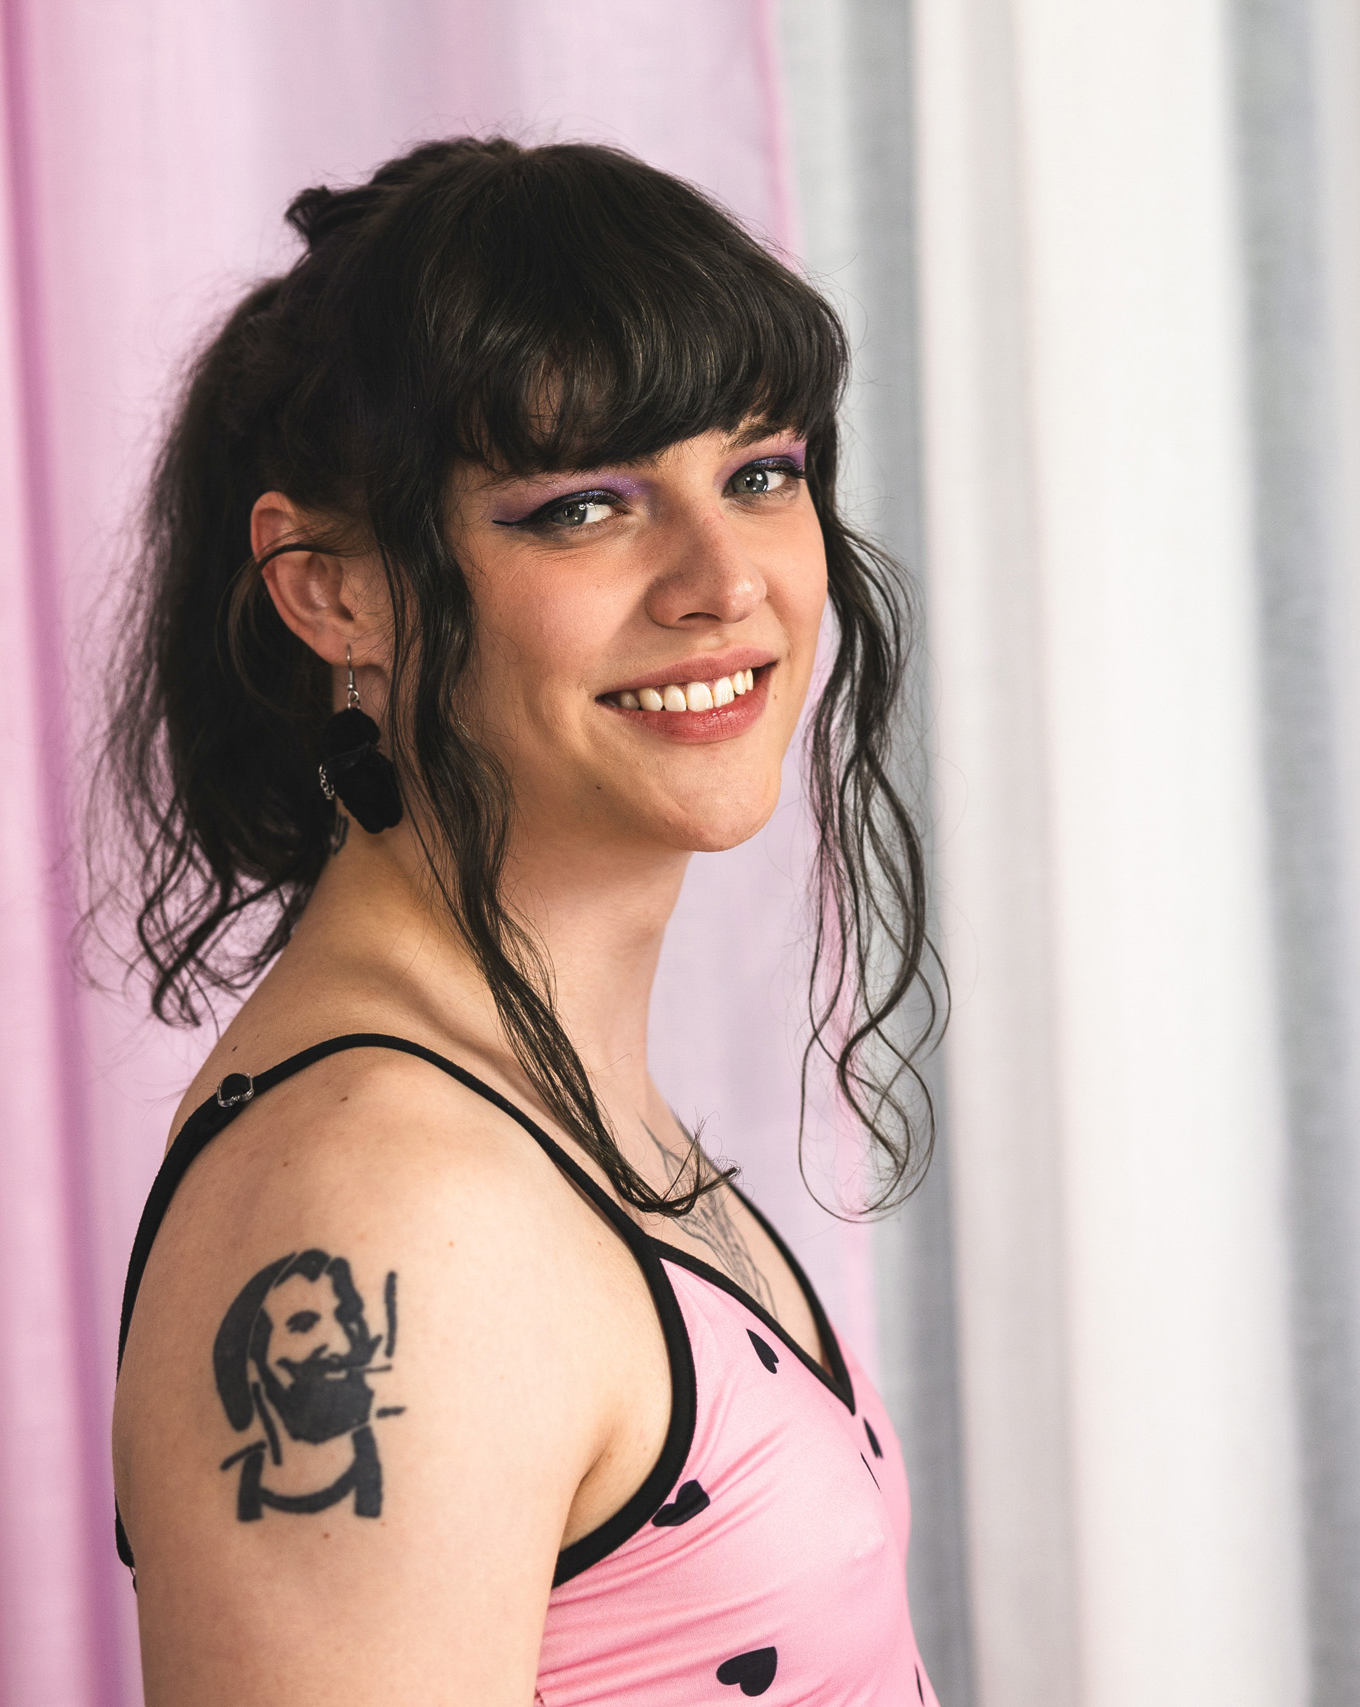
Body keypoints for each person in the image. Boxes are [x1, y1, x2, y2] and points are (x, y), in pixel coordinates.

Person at [105, 136, 939, 1706]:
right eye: (584, 507)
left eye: (760, 474)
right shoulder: (385, 1210)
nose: (723, 582)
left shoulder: (522, 1098)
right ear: (331, 592)